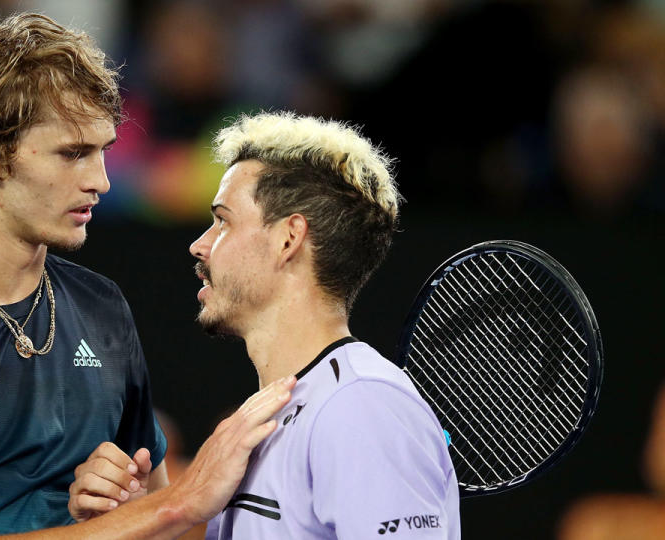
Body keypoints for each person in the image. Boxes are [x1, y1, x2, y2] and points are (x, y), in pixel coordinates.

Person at [0, 13, 296, 539]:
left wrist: (120, 507)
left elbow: (155, 524)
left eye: (103, 151)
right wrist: (174, 504)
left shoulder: (101, 305)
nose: (101, 181)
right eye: (72, 154)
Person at [69, 112, 461, 538]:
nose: (199, 245)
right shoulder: (276, 415)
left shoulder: (362, 405)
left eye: (223, 220)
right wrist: (137, 520)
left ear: (288, 239)